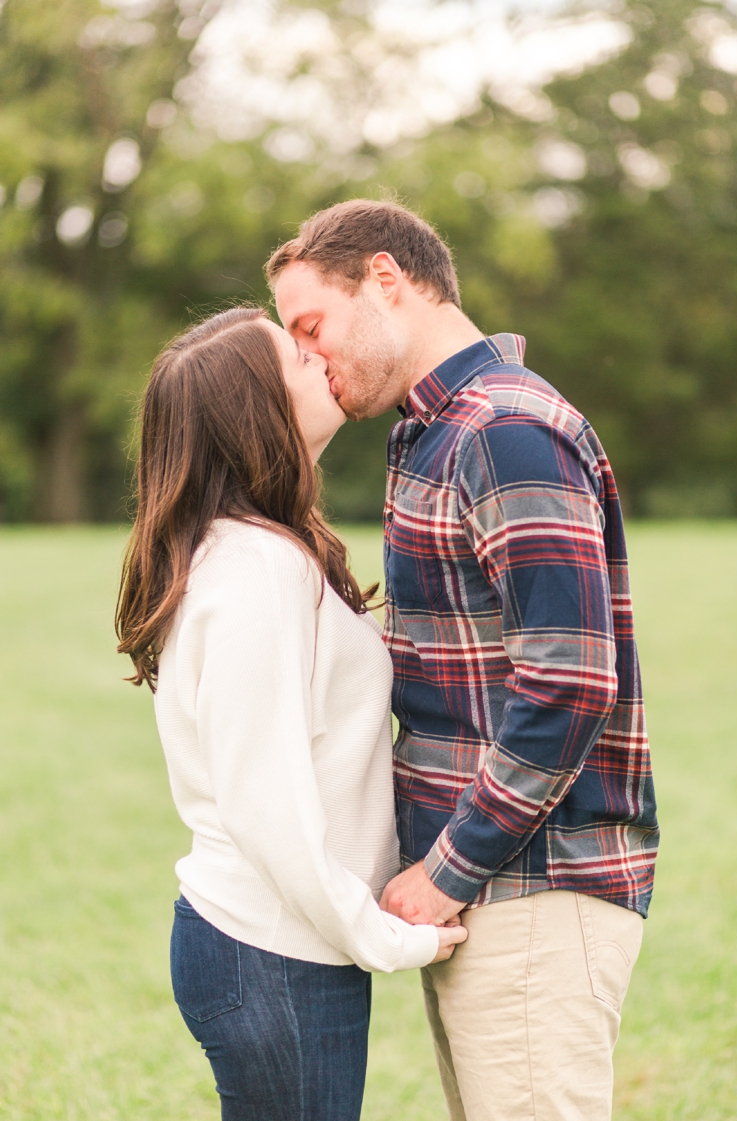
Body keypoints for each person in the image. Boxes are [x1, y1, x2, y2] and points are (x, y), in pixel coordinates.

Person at [265, 199, 659, 1121]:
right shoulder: (435, 429)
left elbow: (567, 681)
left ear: (387, 282)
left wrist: (447, 869)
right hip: (490, 887)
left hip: (533, 886)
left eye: (311, 326)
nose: (309, 358)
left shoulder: (504, 428)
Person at [115, 306, 468, 1121]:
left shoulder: (259, 549)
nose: (320, 358)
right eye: (296, 359)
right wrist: (381, 935)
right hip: (271, 950)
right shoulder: (254, 572)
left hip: (282, 946)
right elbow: (264, 804)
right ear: (255, 414)